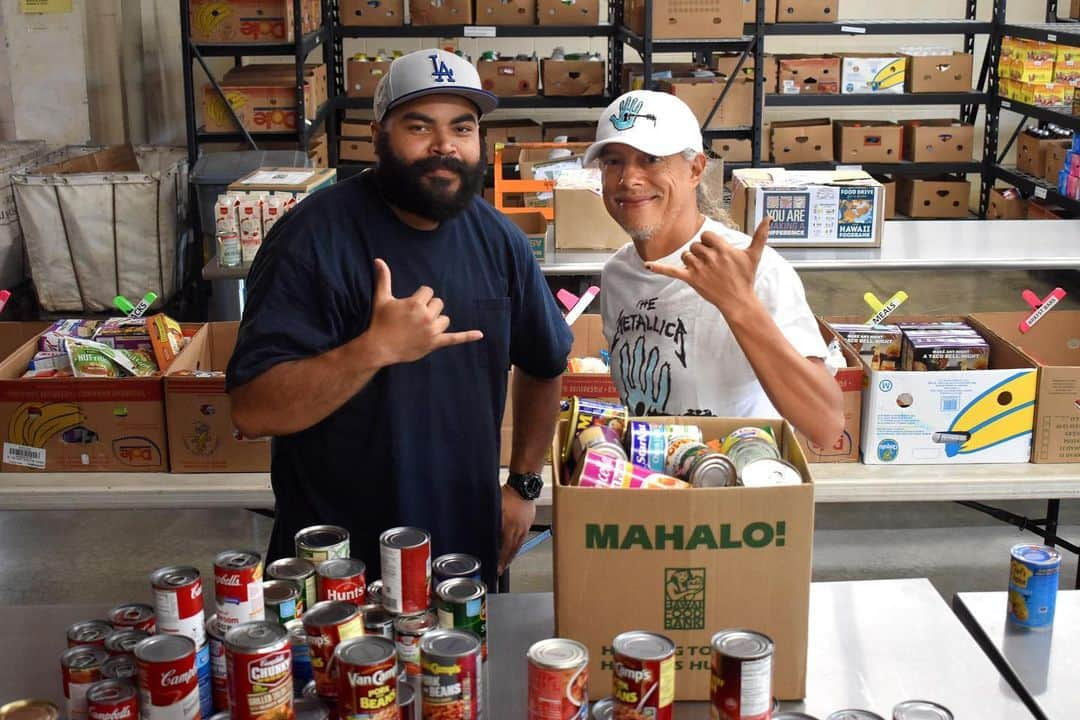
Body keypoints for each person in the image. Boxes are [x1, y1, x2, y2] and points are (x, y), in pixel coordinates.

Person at [226, 49, 573, 590]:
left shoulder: (499, 240)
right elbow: (253, 409)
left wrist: (523, 485)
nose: (444, 146)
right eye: (419, 126)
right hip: (337, 559)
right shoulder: (312, 239)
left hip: (462, 552)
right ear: (377, 134)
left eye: (462, 127)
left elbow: (546, 361)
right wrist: (374, 349)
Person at [586, 90, 844, 449]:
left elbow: (826, 427)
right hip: (652, 485)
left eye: (651, 159)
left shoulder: (754, 270)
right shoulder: (618, 274)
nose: (629, 178)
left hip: (735, 491)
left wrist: (739, 304)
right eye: (614, 161)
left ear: (695, 169)